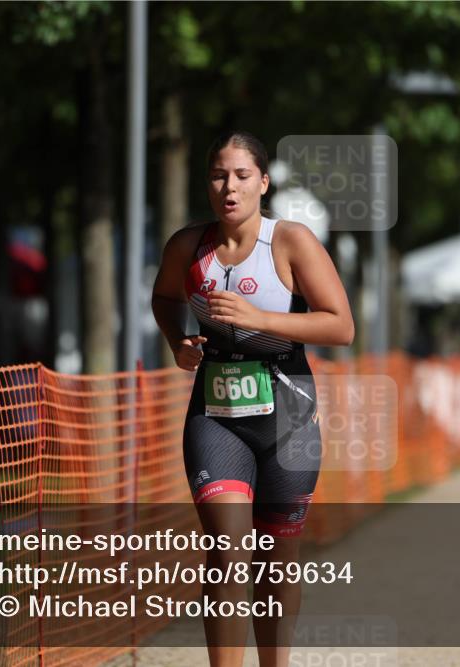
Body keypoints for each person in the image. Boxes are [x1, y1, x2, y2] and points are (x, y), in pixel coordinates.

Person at [151, 131, 354, 667]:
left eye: (242, 176)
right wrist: (178, 342)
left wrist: (260, 319)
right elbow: (164, 296)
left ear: (263, 183)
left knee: (277, 562)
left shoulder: (289, 242)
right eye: (219, 176)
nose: (230, 188)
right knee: (228, 554)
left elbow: (341, 325)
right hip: (216, 418)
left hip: (288, 415)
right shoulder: (187, 247)